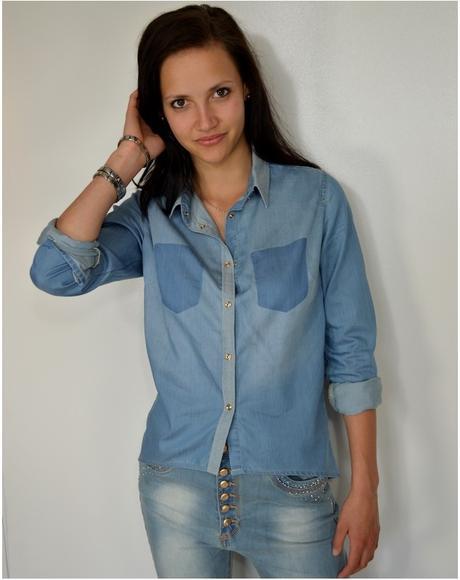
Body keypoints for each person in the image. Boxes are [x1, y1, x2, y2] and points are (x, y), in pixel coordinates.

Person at [29, 4, 382, 578]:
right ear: (159, 113)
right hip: (176, 488)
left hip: (293, 491)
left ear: (247, 87)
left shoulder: (316, 201)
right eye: (179, 103)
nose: (205, 120)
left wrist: (365, 487)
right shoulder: (151, 216)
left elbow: (351, 354)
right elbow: (54, 272)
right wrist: (127, 158)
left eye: (219, 92)